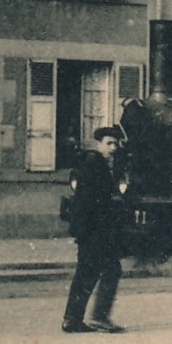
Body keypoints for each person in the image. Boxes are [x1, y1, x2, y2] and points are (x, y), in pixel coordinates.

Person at [62, 126, 129, 333]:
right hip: (95, 230)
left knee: (86, 273)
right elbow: (92, 202)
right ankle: (98, 317)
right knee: (109, 269)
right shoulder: (95, 164)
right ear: (98, 144)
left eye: (116, 143)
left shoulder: (94, 163)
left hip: (90, 230)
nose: (113, 147)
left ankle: (72, 320)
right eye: (109, 143)